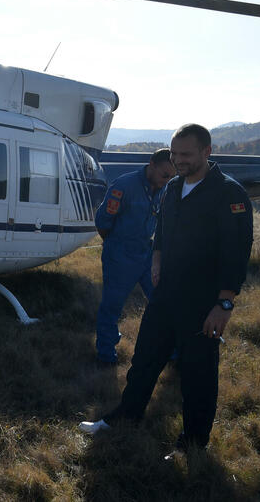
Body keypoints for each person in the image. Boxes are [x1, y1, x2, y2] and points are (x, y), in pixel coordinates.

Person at [79, 124, 253, 455]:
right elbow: (161, 227)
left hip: (203, 303)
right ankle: (125, 416)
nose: (178, 161)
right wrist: (157, 258)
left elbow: (237, 252)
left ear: (207, 152)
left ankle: (192, 444)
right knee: (144, 360)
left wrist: (224, 305)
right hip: (166, 296)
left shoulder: (229, 194)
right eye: (174, 154)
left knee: (198, 376)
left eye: (186, 155)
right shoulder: (173, 187)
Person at [93, 148, 176, 365]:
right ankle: (106, 354)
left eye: (171, 177)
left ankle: (171, 350)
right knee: (112, 306)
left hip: (146, 254)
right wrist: (115, 245)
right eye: (164, 175)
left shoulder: (164, 188)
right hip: (120, 254)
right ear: (152, 164)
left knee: (162, 300)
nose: (166, 181)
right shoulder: (124, 186)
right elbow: (103, 222)